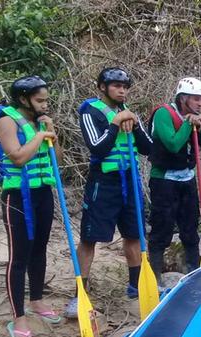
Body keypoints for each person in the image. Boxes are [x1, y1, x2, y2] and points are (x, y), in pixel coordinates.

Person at [68, 67, 153, 318]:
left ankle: (136, 286)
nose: (122, 90)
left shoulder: (128, 113)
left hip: (129, 180)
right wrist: (115, 125)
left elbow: (148, 148)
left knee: (134, 234)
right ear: (103, 87)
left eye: (125, 86)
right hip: (102, 182)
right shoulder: (90, 111)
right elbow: (98, 148)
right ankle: (80, 294)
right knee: (89, 238)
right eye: (116, 85)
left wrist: (136, 126)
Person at [0, 76, 62, 337]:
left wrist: (51, 131)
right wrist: (41, 135)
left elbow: (57, 161)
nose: (45, 105)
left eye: (46, 100)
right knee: (19, 256)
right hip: (18, 197)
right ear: (23, 99)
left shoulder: (40, 122)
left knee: (39, 249)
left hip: (43, 193)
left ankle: (37, 301)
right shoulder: (6, 121)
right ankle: (18, 316)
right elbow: (17, 157)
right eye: (40, 100)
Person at [147, 78, 201, 283]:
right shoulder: (163, 114)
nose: (200, 104)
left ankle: (193, 269)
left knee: (190, 226)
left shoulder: (194, 116)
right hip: (164, 180)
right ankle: (155, 275)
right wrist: (188, 123)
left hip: (187, 179)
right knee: (162, 226)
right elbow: (173, 144)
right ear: (183, 98)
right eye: (196, 99)